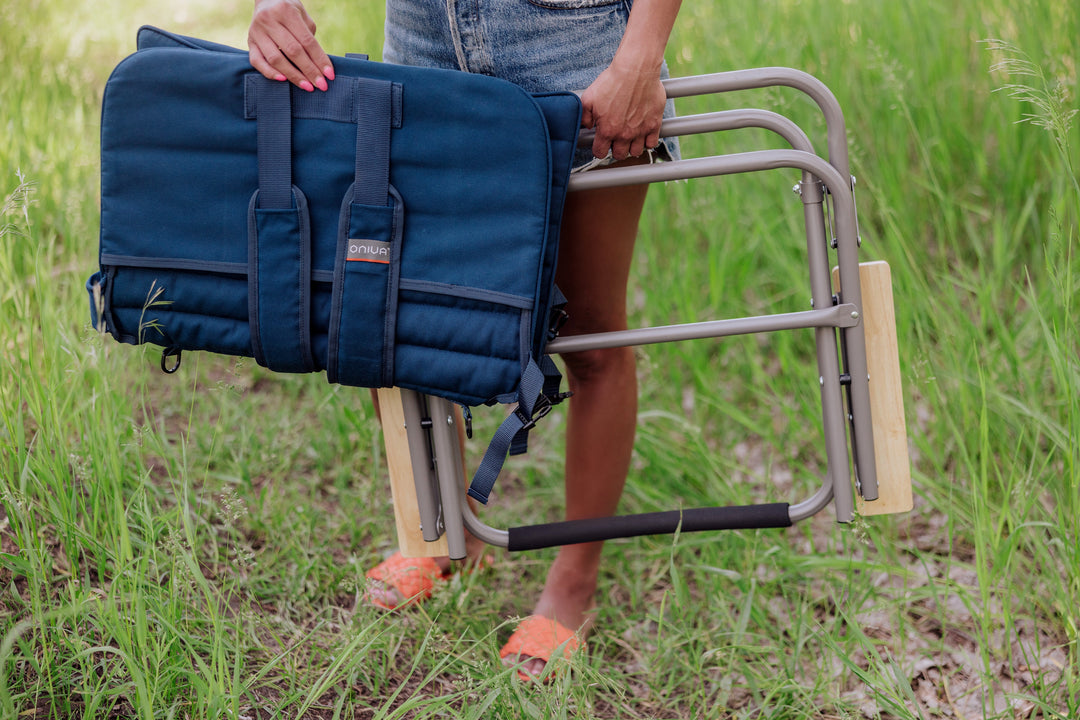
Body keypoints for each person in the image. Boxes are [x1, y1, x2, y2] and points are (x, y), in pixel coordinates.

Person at [248, 0, 681, 680]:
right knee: (404, 314)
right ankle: (444, 537)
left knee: (591, 338)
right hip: (423, 35)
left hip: (570, 41)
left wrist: (641, 56)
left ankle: (573, 586)